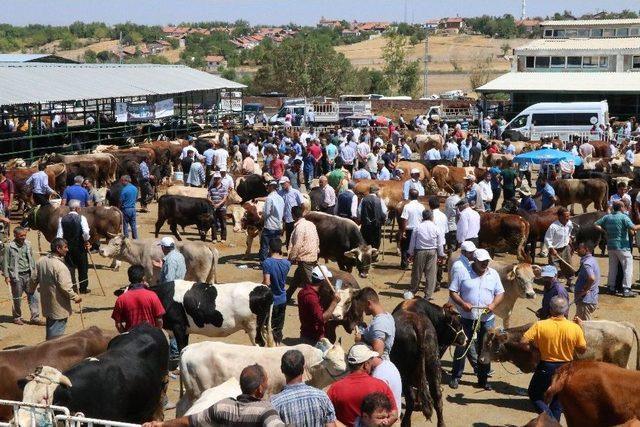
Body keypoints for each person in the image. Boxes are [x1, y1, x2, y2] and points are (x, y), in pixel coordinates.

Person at [142, 364, 285, 427]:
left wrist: (160, 424)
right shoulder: (266, 410)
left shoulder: (222, 406)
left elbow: (189, 422)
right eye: (266, 381)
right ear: (260, 388)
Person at [521, 296, 587, 422]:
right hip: (567, 368)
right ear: (566, 310)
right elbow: (582, 350)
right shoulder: (574, 327)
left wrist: (535, 349)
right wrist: (580, 328)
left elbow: (523, 341)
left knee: (534, 394)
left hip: (546, 366)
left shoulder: (540, 325)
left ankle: (550, 420)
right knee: (558, 399)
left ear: (550, 310)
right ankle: (554, 423)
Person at [449, 249, 504, 390]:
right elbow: (453, 291)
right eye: (482, 262)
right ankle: (456, 376)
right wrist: (462, 304)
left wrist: (493, 305)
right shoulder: (463, 272)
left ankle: (483, 379)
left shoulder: (493, 274)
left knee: (485, 349)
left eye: (487, 262)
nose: (485, 264)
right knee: (461, 347)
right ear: (475, 261)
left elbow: (500, 293)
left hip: (486, 319)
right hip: (466, 317)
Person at [327, 344, 398, 427]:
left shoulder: (335, 388)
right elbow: (394, 414)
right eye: (370, 361)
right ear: (366, 364)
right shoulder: (381, 385)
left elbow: (327, 417)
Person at [270, 350, 337, 426]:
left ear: (282, 369)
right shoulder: (322, 396)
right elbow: (331, 424)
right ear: (303, 369)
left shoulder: (275, 403)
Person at [34, 238, 82, 340]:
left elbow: (34, 279)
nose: (67, 249)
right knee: (56, 338)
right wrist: (75, 297)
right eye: (65, 247)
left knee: (51, 329)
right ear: (58, 248)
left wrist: (30, 290)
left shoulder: (41, 261)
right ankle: (50, 354)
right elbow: (65, 287)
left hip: (47, 303)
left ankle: (47, 349)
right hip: (59, 305)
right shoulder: (60, 266)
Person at [594, 201, 640, 297]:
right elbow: (634, 228)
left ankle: (611, 287)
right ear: (621, 207)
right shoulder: (624, 217)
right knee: (628, 267)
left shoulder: (607, 217)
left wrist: (604, 231)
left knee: (612, 267)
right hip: (623, 246)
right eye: (624, 206)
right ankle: (626, 289)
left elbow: (595, 224)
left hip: (611, 246)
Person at [3, 227, 43, 326]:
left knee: (34, 296)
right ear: (15, 235)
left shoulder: (28, 244)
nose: (23, 237)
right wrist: (7, 276)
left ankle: (35, 317)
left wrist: (35, 272)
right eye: (21, 236)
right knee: (17, 298)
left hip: (29, 275)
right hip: (16, 276)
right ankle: (17, 317)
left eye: (24, 235)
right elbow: (5, 263)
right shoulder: (9, 247)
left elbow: (31, 259)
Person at [112, 264, 165, 332]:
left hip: (131, 337)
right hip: (150, 336)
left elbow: (118, 324)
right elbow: (159, 320)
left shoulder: (121, 299)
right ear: (143, 278)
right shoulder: (152, 295)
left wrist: (125, 334)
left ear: (129, 278)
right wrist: (157, 333)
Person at [297, 265, 340, 344]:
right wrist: (334, 302)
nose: (329, 282)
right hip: (313, 339)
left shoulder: (303, 291)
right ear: (323, 281)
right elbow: (322, 319)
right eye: (328, 280)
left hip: (305, 333)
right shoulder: (312, 298)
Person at [408, 210, 445, 299]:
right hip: (432, 252)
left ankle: (413, 290)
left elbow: (412, 242)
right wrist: (441, 254)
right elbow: (440, 244)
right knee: (431, 274)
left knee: (417, 272)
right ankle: (428, 295)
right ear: (432, 217)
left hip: (419, 251)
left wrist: (410, 253)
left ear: (422, 217)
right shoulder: (436, 228)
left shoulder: (417, 227)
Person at [56, 199, 91, 294]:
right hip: (80, 246)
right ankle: (83, 288)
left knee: (69, 268)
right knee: (83, 268)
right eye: (79, 207)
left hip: (67, 248)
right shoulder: (82, 218)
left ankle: (73, 287)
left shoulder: (62, 219)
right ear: (76, 208)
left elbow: (59, 235)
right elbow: (86, 232)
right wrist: (86, 241)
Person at [287, 206, 319, 302]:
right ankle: (287, 296)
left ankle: (316, 301)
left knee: (309, 282)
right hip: (312, 255)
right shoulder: (311, 224)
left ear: (293, 215)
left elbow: (297, 245)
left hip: (305, 257)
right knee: (297, 278)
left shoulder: (299, 227)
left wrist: (291, 257)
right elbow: (317, 239)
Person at [262, 238, 291, 346]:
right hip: (283, 298)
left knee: (267, 326)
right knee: (278, 327)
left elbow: (267, 282)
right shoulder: (287, 263)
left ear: (270, 248)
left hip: (271, 300)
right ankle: (277, 344)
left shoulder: (267, 262)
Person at [354, 288, 395, 360]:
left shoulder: (379, 324)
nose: (362, 310)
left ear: (369, 303)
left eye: (362, 306)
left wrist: (360, 340)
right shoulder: (388, 316)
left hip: (375, 368)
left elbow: (377, 355)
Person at [543, 207, 574, 291]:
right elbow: (547, 239)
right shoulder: (553, 227)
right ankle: (552, 285)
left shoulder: (569, 223)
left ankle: (570, 282)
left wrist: (569, 237)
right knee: (553, 268)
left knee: (568, 266)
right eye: (566, 216)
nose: (568, 218)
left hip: (565, 249)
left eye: (568, 216)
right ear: (559, 217)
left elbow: (569, 231)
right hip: (554, 250)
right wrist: (551, 248)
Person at [398, 189, 424, 269]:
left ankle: (405, 264)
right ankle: (416, 264)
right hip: (418, 230)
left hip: (409, 230)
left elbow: (404, 219)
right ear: (417, 196)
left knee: (405, 247)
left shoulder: (407, 206)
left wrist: (403, 231)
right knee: (417, 247)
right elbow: (423, 219)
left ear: (409, 196)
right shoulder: (421, 206)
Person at [574, 241, 600, 320]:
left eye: (579, 249)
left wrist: (585, 289)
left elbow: (591, 278)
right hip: (588, 299)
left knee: (584, 325)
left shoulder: (587, 263)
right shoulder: (592, 259)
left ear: (586, 249)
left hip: (585, 301)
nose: (577, 250)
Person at [358, 185, 387, 250]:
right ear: (376, 192)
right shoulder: (380, 200)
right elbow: (384, 212)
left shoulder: (363, 199)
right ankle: (374, 255)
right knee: (376, 240)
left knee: (366, 239)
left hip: (365, 224)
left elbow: (359, 211)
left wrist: (360, 219)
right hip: (376, 224)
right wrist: (384, 219)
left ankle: (367, 255)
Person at [278, 176, 303, 248]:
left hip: (295, 219)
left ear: (288, 182)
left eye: (283, 184)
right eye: (281, 184)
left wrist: (301, 216)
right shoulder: (280, 193)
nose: (282, 185)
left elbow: (302, 204)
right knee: (288, 237)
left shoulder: (296, 192)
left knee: (296, 237)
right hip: (285, 219)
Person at [207, 172, 228, 242]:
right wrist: (211, 202)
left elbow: (225, 198)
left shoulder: (224, 187)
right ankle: (214, 238)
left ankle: (223, 238)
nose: (216, 180)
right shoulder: (211, 187)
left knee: (223, 224)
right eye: (215, 178)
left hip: (222, 208)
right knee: (213, 223)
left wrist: (218, 204)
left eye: (218, 178)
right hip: (213, 208)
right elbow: (208, 196)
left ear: (220, 179)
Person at [444, 184, 464, 252]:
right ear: (461, 191)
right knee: (453, 248)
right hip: (455, 226)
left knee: (449, 246)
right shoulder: (459, 200)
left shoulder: (448, 199)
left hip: (447, 225)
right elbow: (459, 214)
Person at [119, 175, 138, 239]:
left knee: (125, 225)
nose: (121, 183)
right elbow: (136, 198)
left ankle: (126, 239)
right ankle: (136, 239)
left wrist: (119, 208)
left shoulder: (124, 190)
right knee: (133, 225)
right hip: (133, 209)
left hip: (125, 209)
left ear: (125, 181)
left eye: (122, 181)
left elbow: (121, 201)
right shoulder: (135, 188)